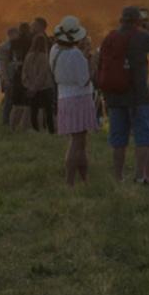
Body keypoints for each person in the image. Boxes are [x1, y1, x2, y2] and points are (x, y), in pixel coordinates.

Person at [97, 6, 149, 184]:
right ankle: (140, 176)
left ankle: (118, 177)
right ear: (138, 21)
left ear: (121, 20)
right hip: (138, 95)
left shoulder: (110, 37)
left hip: (115, 95)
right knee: (143, 137)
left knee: (118, 140)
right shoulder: (143, 36)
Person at [50, 16, 98, 185]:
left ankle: (84, 179)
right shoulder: (76, 54)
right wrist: (92, 63)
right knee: (77, 142)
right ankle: (70, 181)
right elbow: (84, 80)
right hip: (79, 98)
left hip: (63, 96)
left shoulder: (54, 50)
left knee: (80, 141)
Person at [21, 35, 56, 133]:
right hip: (45, 87)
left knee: (34, 110)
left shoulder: (28, 56)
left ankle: (35, 129)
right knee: (48, 110)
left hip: (31, 87)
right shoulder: (44, 57)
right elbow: (42, 74)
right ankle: (51, 130)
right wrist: (35, 87)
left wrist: (29, 86)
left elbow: (24, 73)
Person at [0, 28, 20, 127]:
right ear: (10, 34)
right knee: (8, 100)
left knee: (15, 100)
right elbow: (2, 64)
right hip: (9, 76)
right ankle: (6, 121)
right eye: (16, 34)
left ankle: (13, 121)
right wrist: (5, 79)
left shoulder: (18, 45)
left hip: (16, 76)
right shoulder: (4, 47)